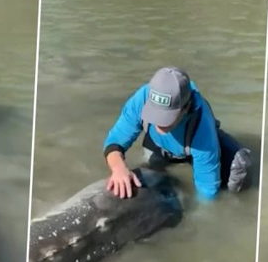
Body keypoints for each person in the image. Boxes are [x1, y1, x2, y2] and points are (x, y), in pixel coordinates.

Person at [102, 66, 252, 201]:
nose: (159, 123)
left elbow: (207, 191)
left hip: (194, 146)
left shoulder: (202, 128)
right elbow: (114, 142)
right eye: (155, 114)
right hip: (158, 145)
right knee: (148, 178)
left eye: (166, 117)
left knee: (239, 167)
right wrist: (119, 168)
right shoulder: (140, 100)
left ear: (186, 108)